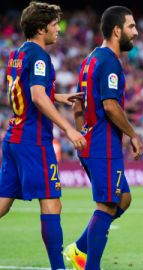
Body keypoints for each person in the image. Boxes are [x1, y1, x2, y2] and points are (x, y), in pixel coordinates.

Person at [0, 2, 86, 269]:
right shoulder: (39, 57)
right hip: (33, 142)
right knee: (51, 204)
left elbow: (20, 93)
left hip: (13, 137)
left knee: (2, 204)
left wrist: (58, 96)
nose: (57, 31)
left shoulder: (17, 54)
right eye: (53, 26)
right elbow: (36, 97)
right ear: (40, 29)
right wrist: (68, 128)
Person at [63, 6, 143, 270]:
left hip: (93, 142)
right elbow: (110, 105)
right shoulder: (109, 61)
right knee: (107, 206)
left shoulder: (91, 59)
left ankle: (79, 248)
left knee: (123, 199)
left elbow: (78, 104)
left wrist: (82, 134)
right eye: (131, 27)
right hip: (102, 145)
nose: (136, 32)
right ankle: (90, 265)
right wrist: (132, 134)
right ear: (117, 30)